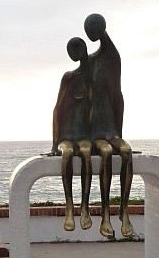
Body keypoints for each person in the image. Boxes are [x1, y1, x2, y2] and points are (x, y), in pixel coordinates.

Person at [84, 13, 134, 238]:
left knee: (126, 151)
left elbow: (117, 96)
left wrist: (119, 133)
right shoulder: (90, 62)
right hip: (94, 132)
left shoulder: (113, 58)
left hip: (111, 128)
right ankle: (105, 214)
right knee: (105, 153)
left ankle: (124, 210)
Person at [51, 37, 93, 232]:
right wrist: (54, 143)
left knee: (86, 153)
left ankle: (84, 206)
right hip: (67, 136)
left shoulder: (93, 77)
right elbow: (57, 109)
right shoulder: (68, 77)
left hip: (84, 136)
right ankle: (69, 206)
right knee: (67, 154)